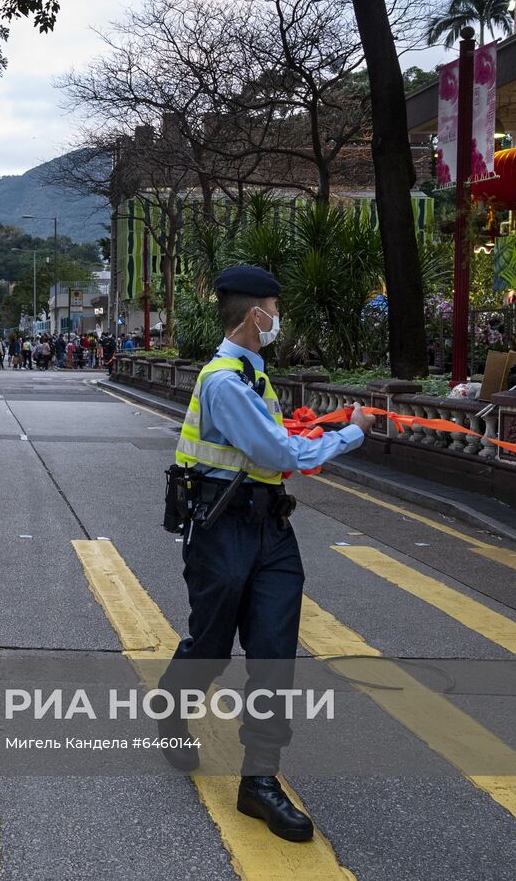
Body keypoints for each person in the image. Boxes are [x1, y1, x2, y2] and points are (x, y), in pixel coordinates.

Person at [155, 265, 373, 843]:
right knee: (211, 643)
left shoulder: (255, 375)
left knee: (274, 654)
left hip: (270, 530)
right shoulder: (225, 381)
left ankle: (259, 780)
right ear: (256, 315)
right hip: (222, 527)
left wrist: (310, 431)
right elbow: (274, 451)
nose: (278, 318)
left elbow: (272, 444)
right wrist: (352, 432)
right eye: (274, 308)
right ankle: (171, 707)